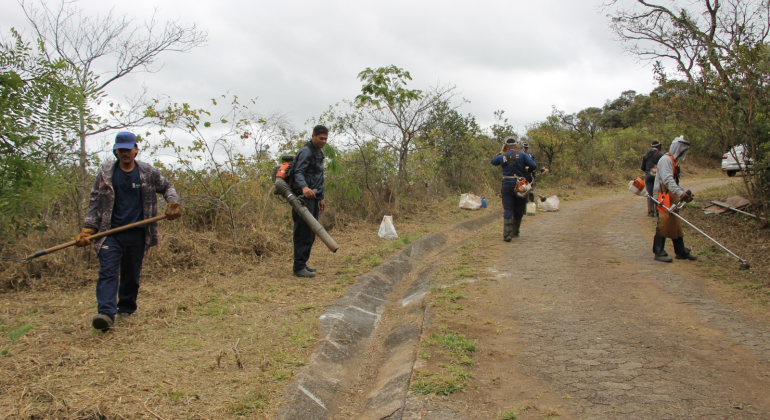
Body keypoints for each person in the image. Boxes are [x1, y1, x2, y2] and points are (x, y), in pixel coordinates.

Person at [75, 132, 181, 332]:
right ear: (116, 150)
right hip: (109, 233)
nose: (125, 153)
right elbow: (94, 201)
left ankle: (126, 308)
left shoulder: (147, 172)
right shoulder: (105, 173)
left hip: (138, 232)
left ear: (136, 149)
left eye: (128, 149)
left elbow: (167, 186)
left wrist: (172, 202)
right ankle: (106, 313)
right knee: (107, 271)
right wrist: (88, 228)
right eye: (121, 149)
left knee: (131, 274)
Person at [652, 135, 697, 263]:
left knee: (675, 222)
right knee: (663, 223)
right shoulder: (666, 160)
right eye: (683, 149)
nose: (684, 153)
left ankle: (680, 251)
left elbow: (675, 182)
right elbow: (667, 179)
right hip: (662, 196)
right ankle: (658, 251)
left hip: (671, 195)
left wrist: (683, 193)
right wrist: (680, 193)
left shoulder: (672, 160)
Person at [291, 125, 328, 277]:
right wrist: (304, 187)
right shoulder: (306, 151)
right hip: (303, 198)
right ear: (313, 136)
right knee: (303, 232)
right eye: (321, 138)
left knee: (311, 232)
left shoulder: (318, 153)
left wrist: (321, 198)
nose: (324, 141)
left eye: (326, 139)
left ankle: (303, 263)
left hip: (314, 198)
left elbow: (319, 177)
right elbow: (298, 172)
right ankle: (298, 267)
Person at [491, 137, 538, 241]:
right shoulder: (523, 155)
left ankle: (507, 234)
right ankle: (515, 231)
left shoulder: (503, 156)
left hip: (507, 184)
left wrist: (502, 152)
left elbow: (493, 162)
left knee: (508, 208)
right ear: (516, 145)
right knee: (519, 208)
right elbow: (533, 165)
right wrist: (527, 171)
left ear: (505, 146)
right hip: (521, 185)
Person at [641, 140, 664, 217]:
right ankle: (658, 211)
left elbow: (642, 167)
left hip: (649, 176)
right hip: (658, 176)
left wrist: (648, 171)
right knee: (658, 193)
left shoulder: (645, 155)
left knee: (650, 194)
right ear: (659, 146)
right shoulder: (661, 155)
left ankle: (650, 212)